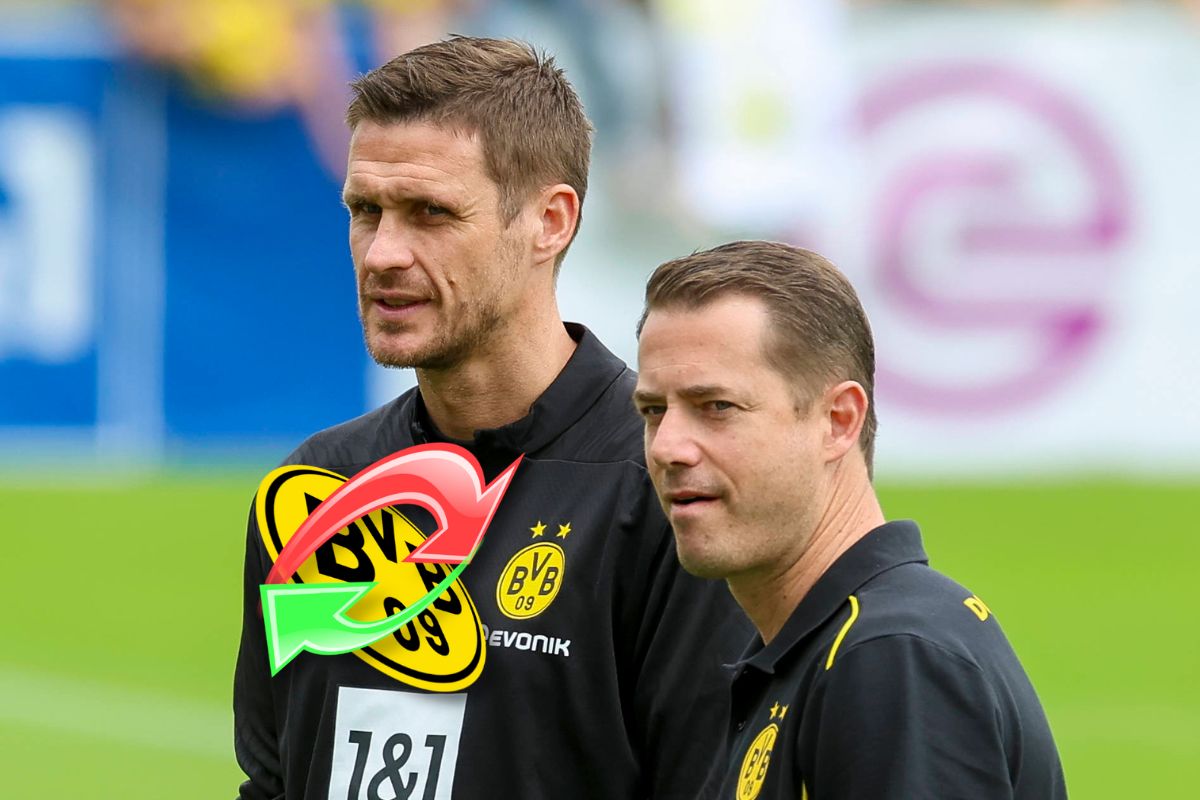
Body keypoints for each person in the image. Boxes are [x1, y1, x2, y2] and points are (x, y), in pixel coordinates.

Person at [233, 36, 749, 800]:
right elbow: (274, 780)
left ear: (550, 221)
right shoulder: (314, 487)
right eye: (366, 211)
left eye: (430, 213)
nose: (382, 254)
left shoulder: (671, 492)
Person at [633, 240, 1067, 799]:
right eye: (653, 411)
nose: (667, 447)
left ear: (838, 421)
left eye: (717, 407)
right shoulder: (818, 647)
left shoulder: (889, 657)